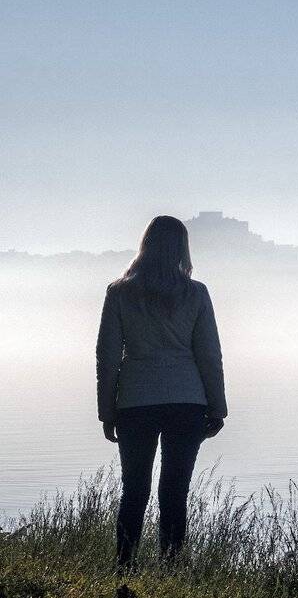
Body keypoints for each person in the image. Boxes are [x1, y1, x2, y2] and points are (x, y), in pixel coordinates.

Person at [96, 216, 227, 566]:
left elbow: (107, 358)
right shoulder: (196, 293)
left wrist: (107, 411)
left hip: (135, 402)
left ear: (145, 245)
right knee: (175, 490)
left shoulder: (120, 292)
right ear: (182, 248)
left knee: (134, 489)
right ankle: (171, 567)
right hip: (187, 400)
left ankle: (125, 564)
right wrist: (218, 407)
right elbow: (209, 354)